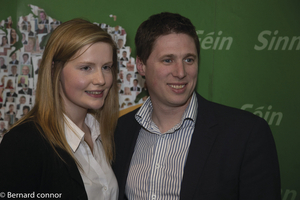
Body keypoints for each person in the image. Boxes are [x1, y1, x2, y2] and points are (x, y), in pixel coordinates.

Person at [112, 12, 281, 200]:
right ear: (141, 66)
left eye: (189, 59)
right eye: (168, 60)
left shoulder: (246, 133)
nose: (181, 72)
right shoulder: (120, 131)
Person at [0, 18, 119, 199]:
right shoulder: (24, 143)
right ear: (55, 70)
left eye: (106, 67)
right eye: (86, 67)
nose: (101, 80)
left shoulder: (107, 134)